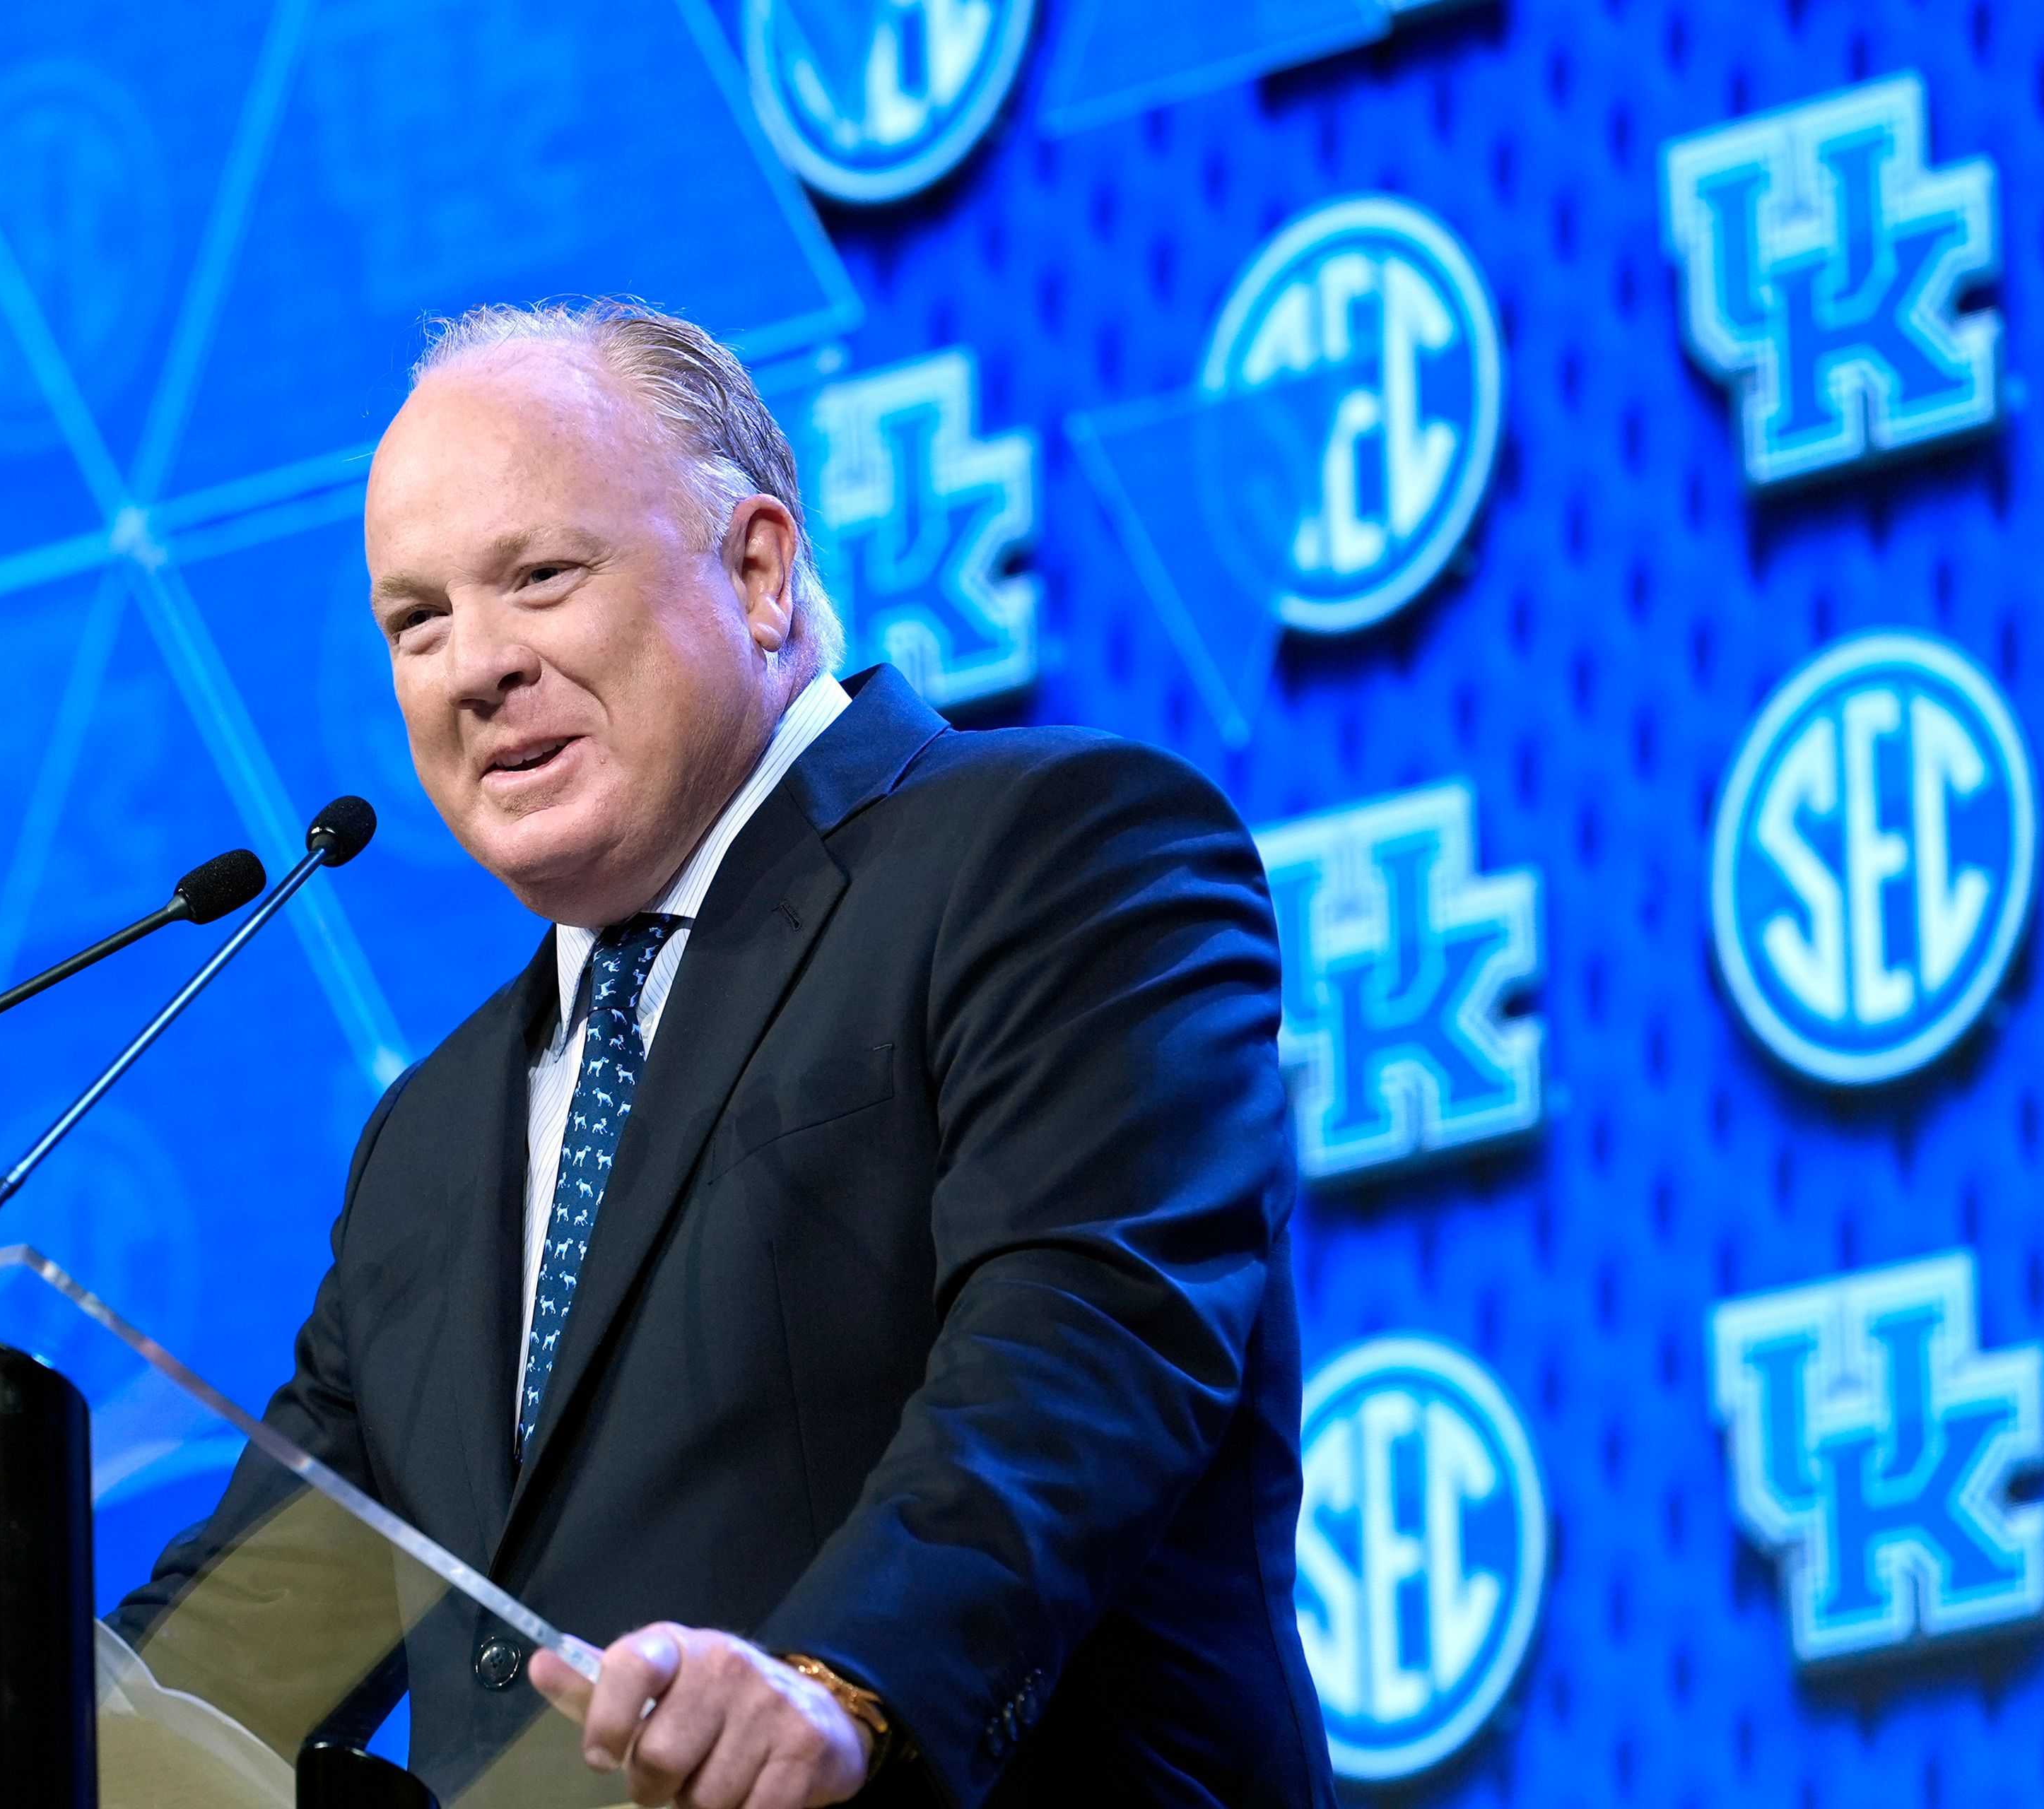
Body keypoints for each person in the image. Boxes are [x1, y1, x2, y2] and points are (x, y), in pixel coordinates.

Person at [118, 300, 1331, 1809]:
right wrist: (6, 1706)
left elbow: (1083, 1339)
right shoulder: (429, 1139)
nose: (471, 667)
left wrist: (840, 1677)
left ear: (757, 568)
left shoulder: (1053, 852)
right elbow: (277, 1613)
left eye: (540, 576)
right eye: (416, 621)